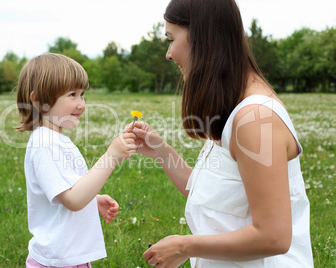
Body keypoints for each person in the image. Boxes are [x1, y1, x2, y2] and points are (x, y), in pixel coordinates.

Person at [125, 0, 314, 267]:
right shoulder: (236, 109)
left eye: (171, 38)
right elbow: (215, 197)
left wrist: (184, 246)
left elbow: (274, 236)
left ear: (202, 37)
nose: (168, 53)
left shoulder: (255, 119)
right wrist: (161, 151)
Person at [16, 53, 137, 267]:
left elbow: (67, 189)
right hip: (56, 260)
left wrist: (93, 199)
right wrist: (110, 157)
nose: (81, 104)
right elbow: (73, 199)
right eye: (72, 94)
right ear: (39, 101)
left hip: (69, 255)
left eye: (82, 95)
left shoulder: (56, 140)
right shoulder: (44, 144)